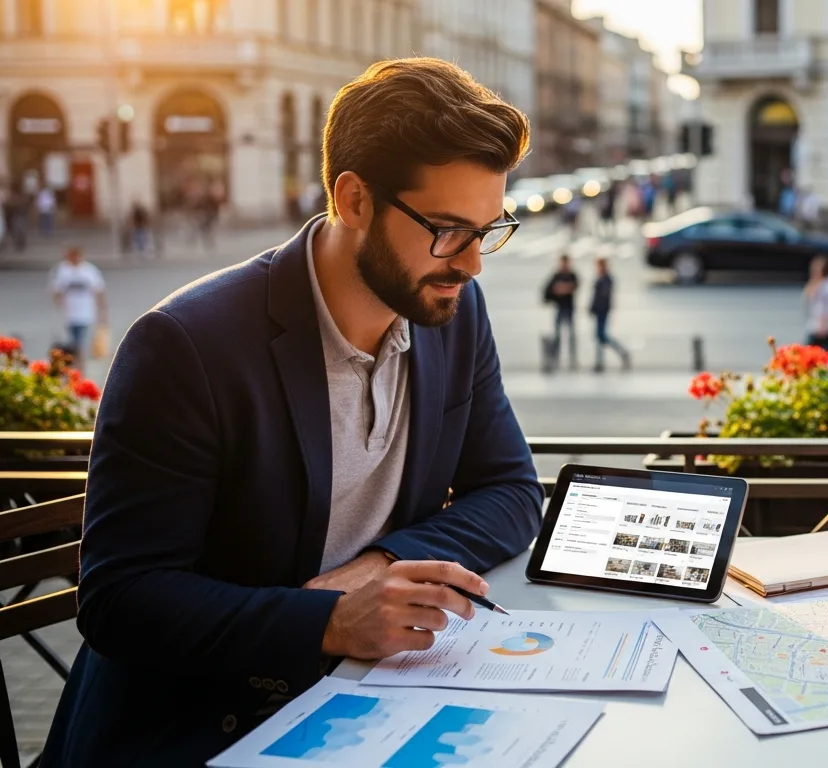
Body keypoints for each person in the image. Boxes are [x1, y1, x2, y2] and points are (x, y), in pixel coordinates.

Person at [43, 58, 542, 766]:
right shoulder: (186, 344)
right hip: (195, 725)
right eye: (449, 231)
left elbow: (512, 492)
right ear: (355, 199)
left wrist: (380, 566)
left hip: (367, 702)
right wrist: (330, 621)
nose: (472, 264)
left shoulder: (453, 313)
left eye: (489, 230)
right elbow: (122, 600)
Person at [48, 245, 106, 373]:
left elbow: (98, 291)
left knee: (80, 343)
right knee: (72, 343)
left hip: (85, 314)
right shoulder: (63, 270)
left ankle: (81, 368)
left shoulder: (89, 270)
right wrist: (58, 302)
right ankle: (75, 368)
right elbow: (56, 289)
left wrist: (102, 312)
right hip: (70, 315)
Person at [589, 256, 631, 373]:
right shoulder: (602, 278)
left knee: (602, 336)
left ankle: (620, 353)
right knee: (599, 337)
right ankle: (599, 362)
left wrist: (596, 307)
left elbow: (602, 297)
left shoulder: (606, 279)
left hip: (602, 311)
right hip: (599, 311)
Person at [543, 254, 579, 370]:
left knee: (571, 335)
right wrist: (561, 289)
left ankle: (572, 360)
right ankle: (555, 359)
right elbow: (551, 289)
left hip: (569, 308)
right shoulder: (556, 275)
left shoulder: (572, 275)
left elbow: (574, 286)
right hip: (559, 307)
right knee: (557, 335)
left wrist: (563, 288)